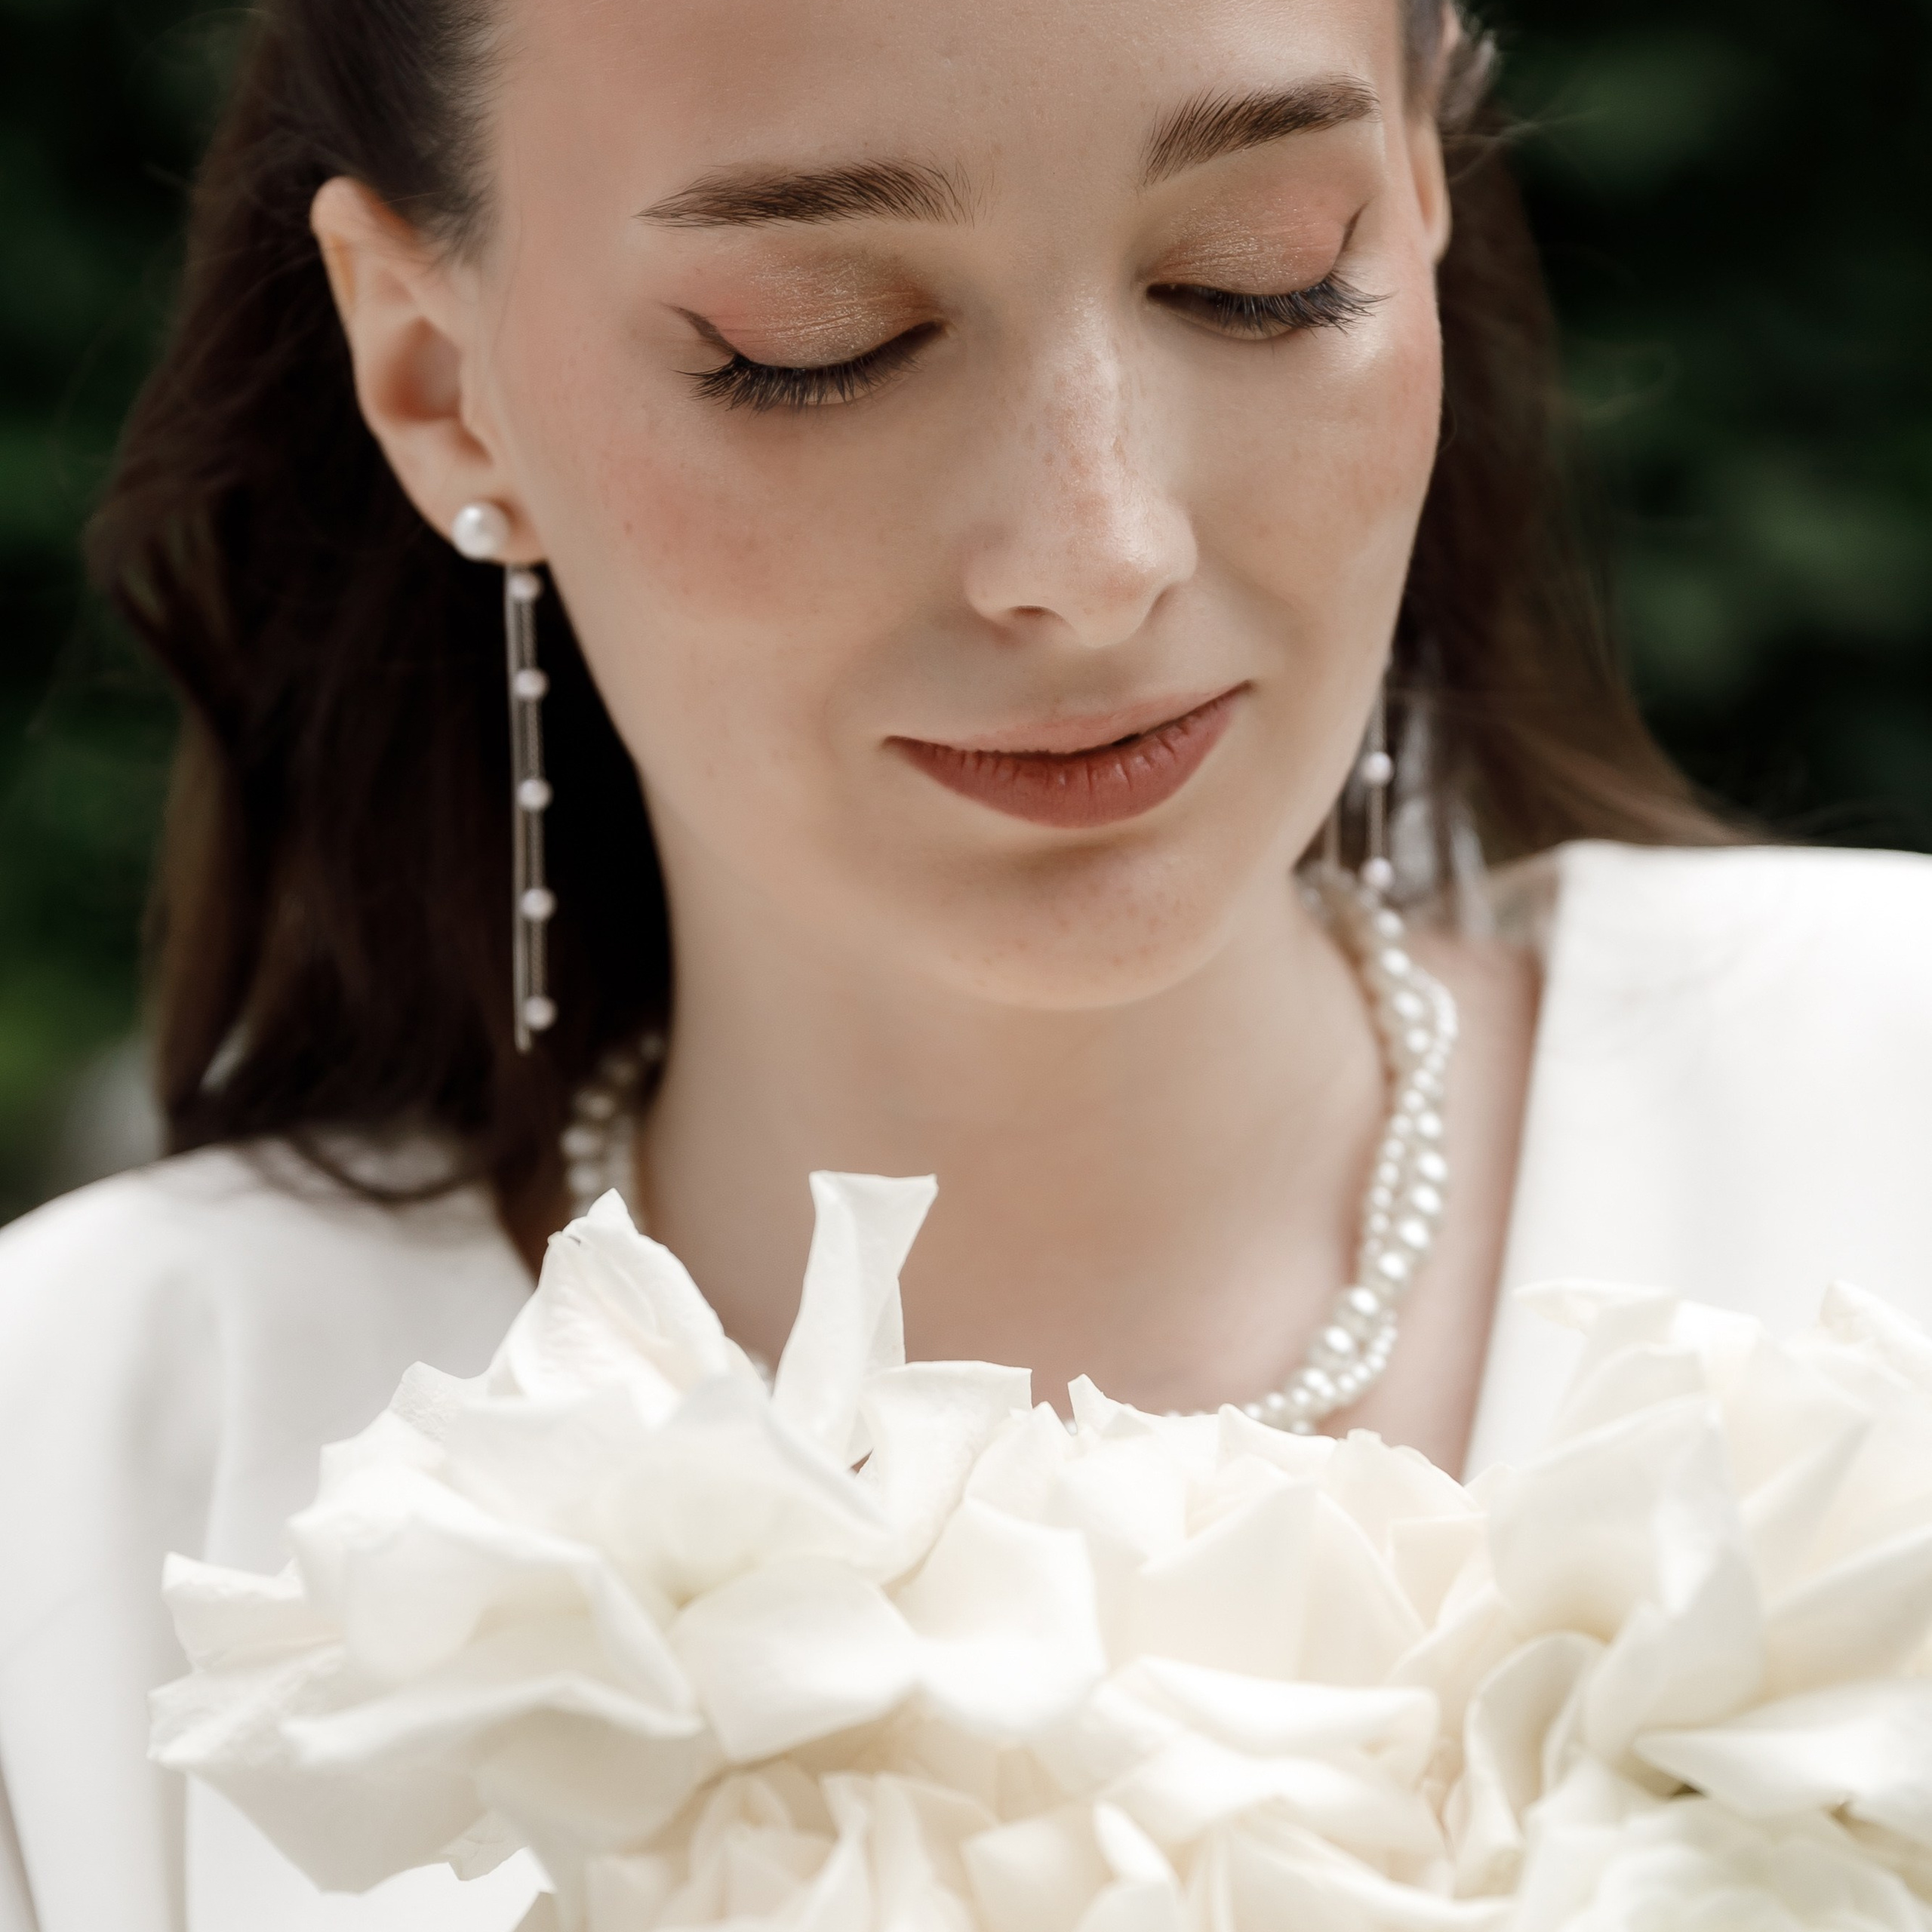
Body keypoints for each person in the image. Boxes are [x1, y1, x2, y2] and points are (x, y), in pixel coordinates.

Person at [3, 0, 1929, 1924]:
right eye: (818, 346)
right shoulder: (84, 1477)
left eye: (1256, 279)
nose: (1095, 552)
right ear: (438, 376)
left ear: (1415, 199)